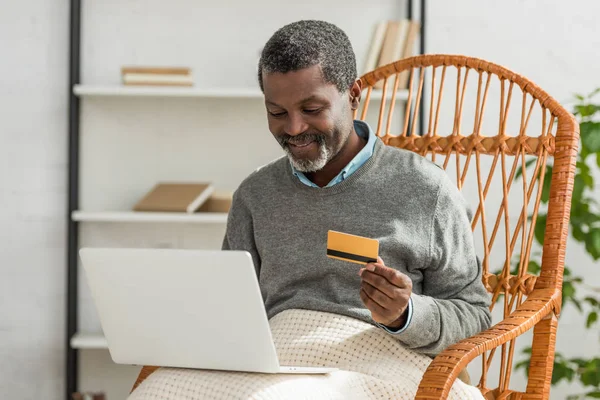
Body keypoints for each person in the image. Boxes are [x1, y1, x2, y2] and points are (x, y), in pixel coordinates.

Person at [222, 20, 492, 358]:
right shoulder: (255, 196)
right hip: (279, 360)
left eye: (312, 109)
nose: (293, 128)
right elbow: (230, 312)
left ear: (353, 96)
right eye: (276, 112)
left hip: (380, 363)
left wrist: (405, 315)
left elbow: (475, 316)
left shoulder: (426, 189)